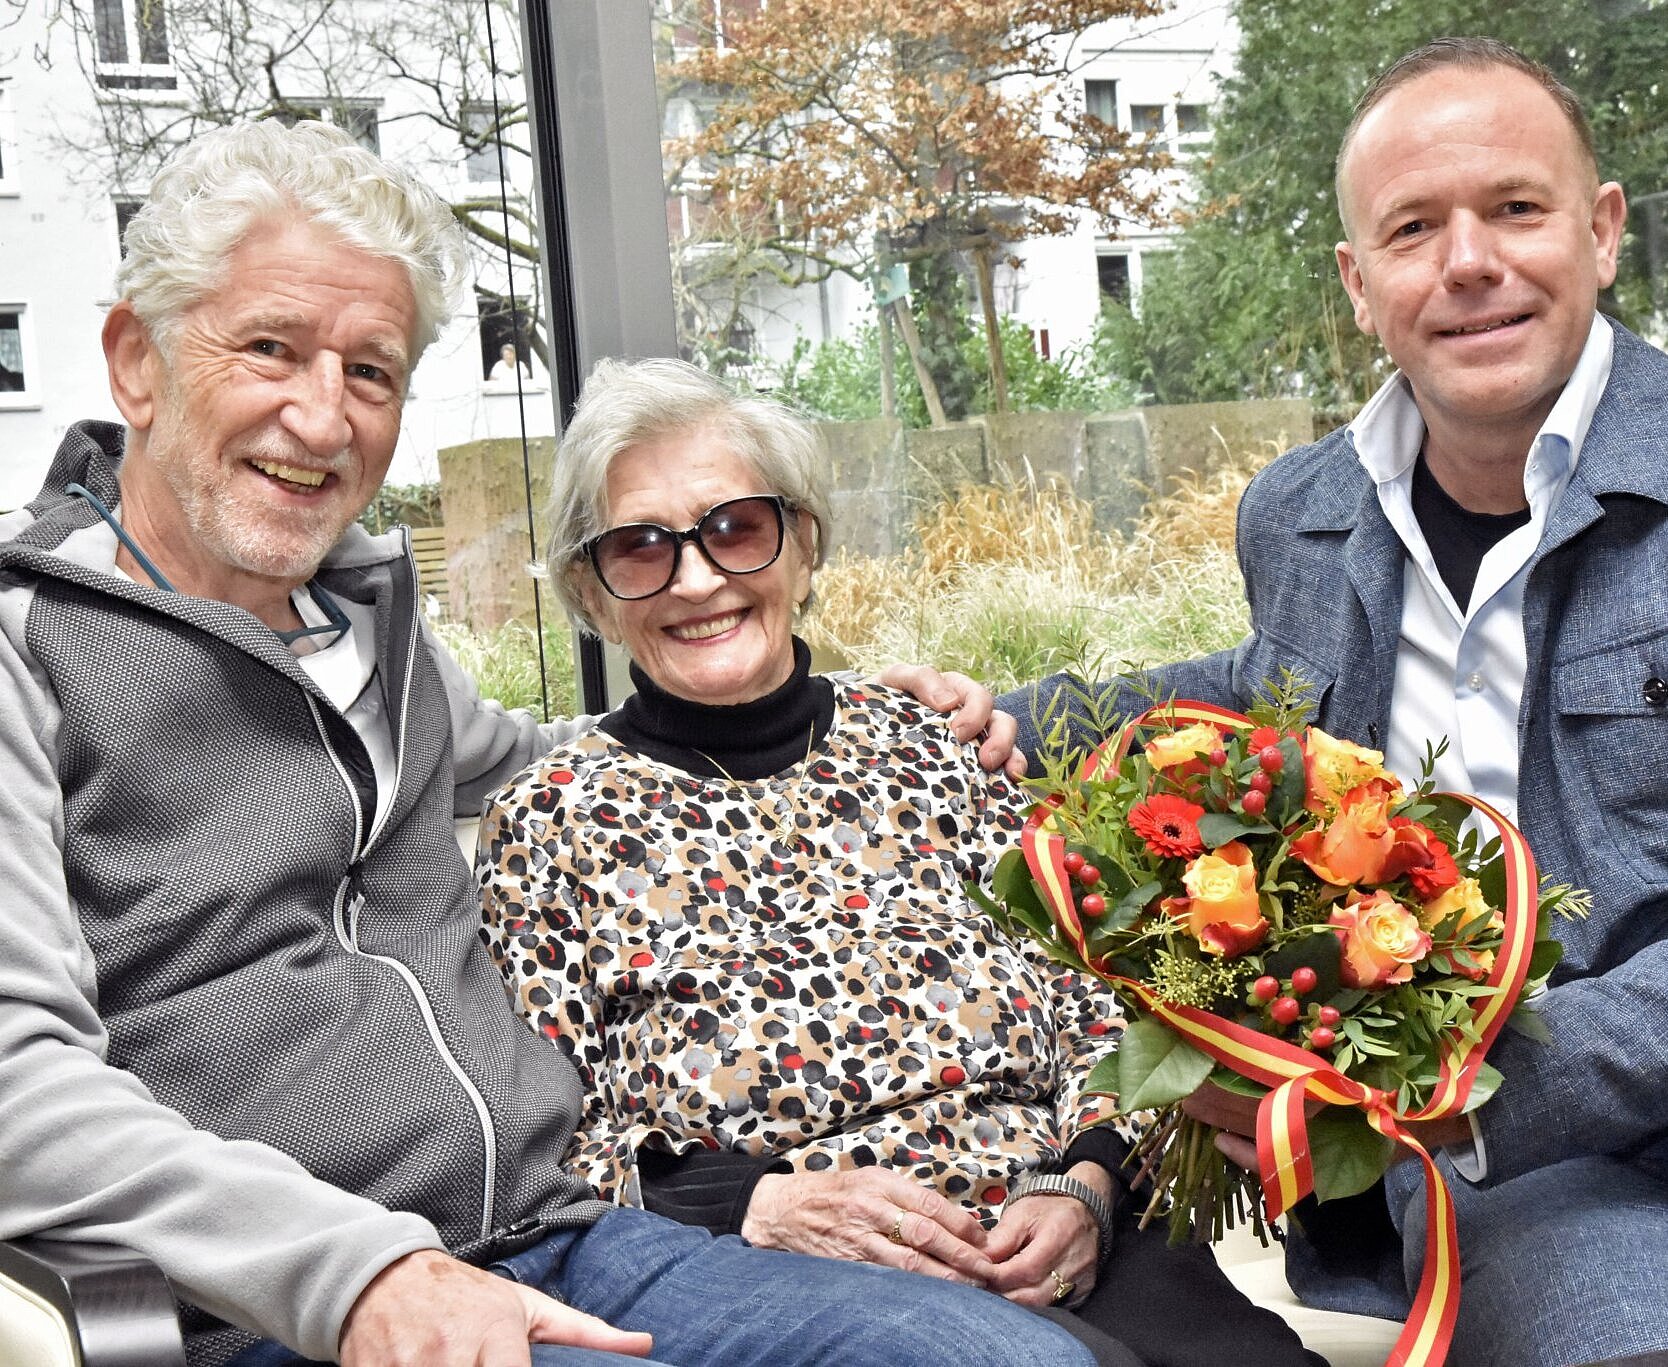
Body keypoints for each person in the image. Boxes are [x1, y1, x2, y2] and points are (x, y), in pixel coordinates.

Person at [0, 117, 1083, 1367]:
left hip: (558, 1227)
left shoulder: (369, 633)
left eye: (372, 371)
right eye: (270, 349)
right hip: (283, 1303)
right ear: (136, 361)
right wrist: (354, 1270)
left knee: (1001, 1359)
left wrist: (829, 708)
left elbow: (572, 756)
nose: (322, 416)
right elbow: (19, 1089)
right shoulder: (32, 648)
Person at [1005, 37, 1668, 1367]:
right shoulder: (1302, 515)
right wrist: (1000, 717)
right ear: (1362, 288)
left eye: (1517, 208)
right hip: (1537, 1178)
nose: (1468, 261)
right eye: (1414, 229)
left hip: (1506, 1096)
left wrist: (1455, 1085)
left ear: (1603, 233)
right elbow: (1264, 696)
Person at [476, 355, 1326, 1367]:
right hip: (789, 1284)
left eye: (736, 528)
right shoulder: (550, 820)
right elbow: (549, 1140)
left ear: (802, 544)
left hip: (1068, 1237)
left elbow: (1096, 1009)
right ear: (592, 588)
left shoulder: (938, 742)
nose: (696, 578)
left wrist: (1091, 1180)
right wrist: (757, 1202)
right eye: (640, 546)